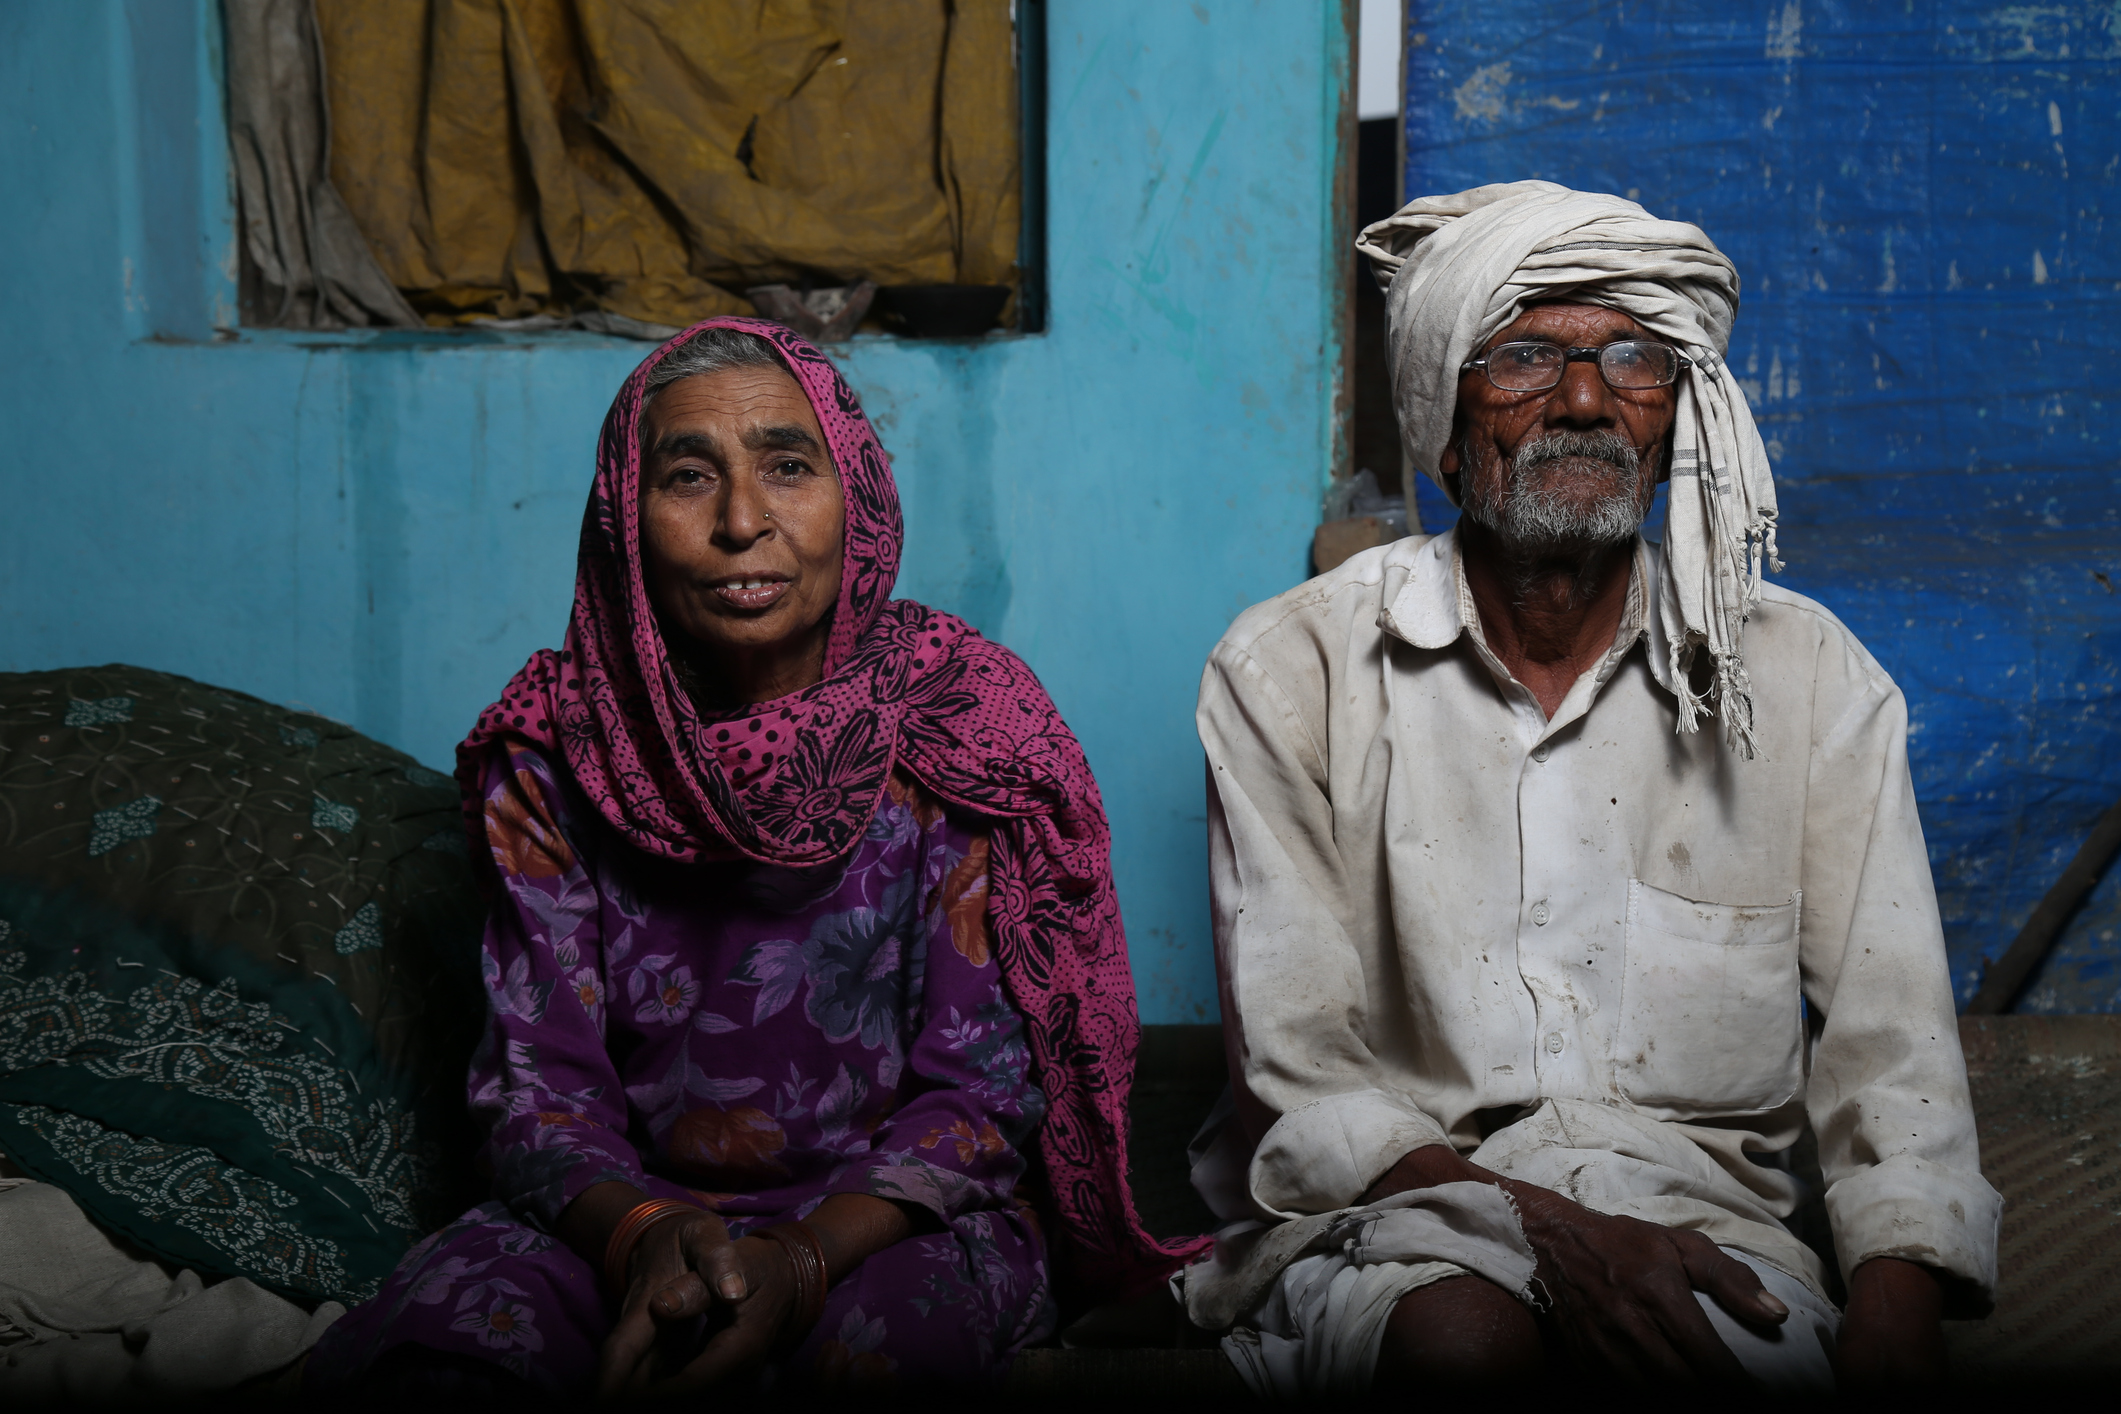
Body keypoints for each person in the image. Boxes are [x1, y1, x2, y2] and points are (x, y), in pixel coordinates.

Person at [1182, 182, 1998, 1394]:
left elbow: (1896, 1061)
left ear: (1680, 419)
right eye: (1523, 357)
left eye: (1632, 359)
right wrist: (1553, 1236)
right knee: (1465, 1344)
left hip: (1711, 1227)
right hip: (1398, 1222)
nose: (1581, 400)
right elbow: (1302, 1080)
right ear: (1447, 422)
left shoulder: (1808, 675)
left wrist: (1894, 1315)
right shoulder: (1290, 670)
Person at [308, 318, 1201, 1396]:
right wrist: (645, 1235)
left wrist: (807, 1258)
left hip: (891, 1225)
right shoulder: (552, 749)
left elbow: (980, 1094)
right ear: (623, 523)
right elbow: (539, 1094)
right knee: (446, 1356)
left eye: (788, 466)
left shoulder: (956, 730)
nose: (742, 521)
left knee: (875, 1355)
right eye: (689, 476)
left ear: (857, 495)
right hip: (613, 1215)